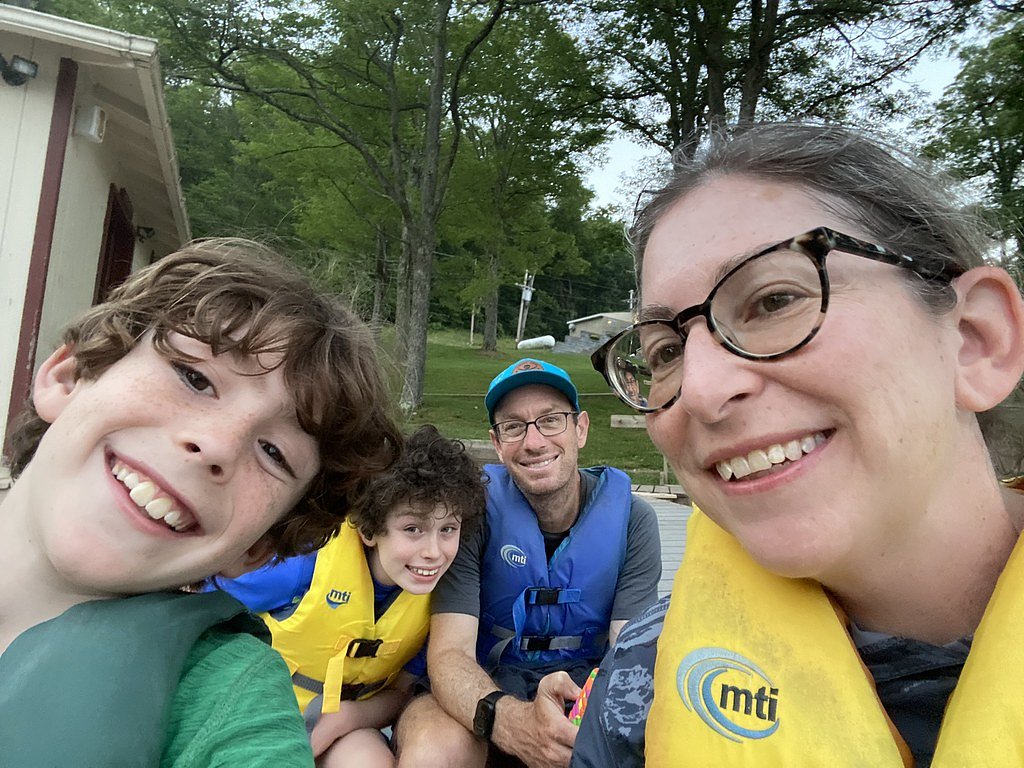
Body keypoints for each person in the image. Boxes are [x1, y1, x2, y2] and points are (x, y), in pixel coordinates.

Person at [577, 122, 1024, 767]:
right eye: (666, 352)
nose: (700, 389)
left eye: (774, 299)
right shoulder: (640, 689)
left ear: (976, 339)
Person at [0, 238, 402, 766]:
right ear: (70, 376)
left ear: (256, 550)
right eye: (195, 377)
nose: (216, 444)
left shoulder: (232, 704)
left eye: (274, 453)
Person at [395, 358, 663, 768]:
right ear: (497, 443)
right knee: (436, 747)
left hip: (584, 686)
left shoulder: (634, 522)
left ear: (581, 429)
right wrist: (508, 719)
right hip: (483, 684)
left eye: (551, 420)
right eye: (514, 427)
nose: (534, 442)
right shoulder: (470, 515)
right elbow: (449, 653)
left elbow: (630, 654)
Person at [209, 424, 487, 767]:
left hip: (345, 725)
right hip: (252, 711)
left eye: (448, 530)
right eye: (413, 529)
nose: (434, 551)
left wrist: (346, 718)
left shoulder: (435, 603)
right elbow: (198, 605)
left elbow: (399, 692)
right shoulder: (303, 566)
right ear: (370, 530)